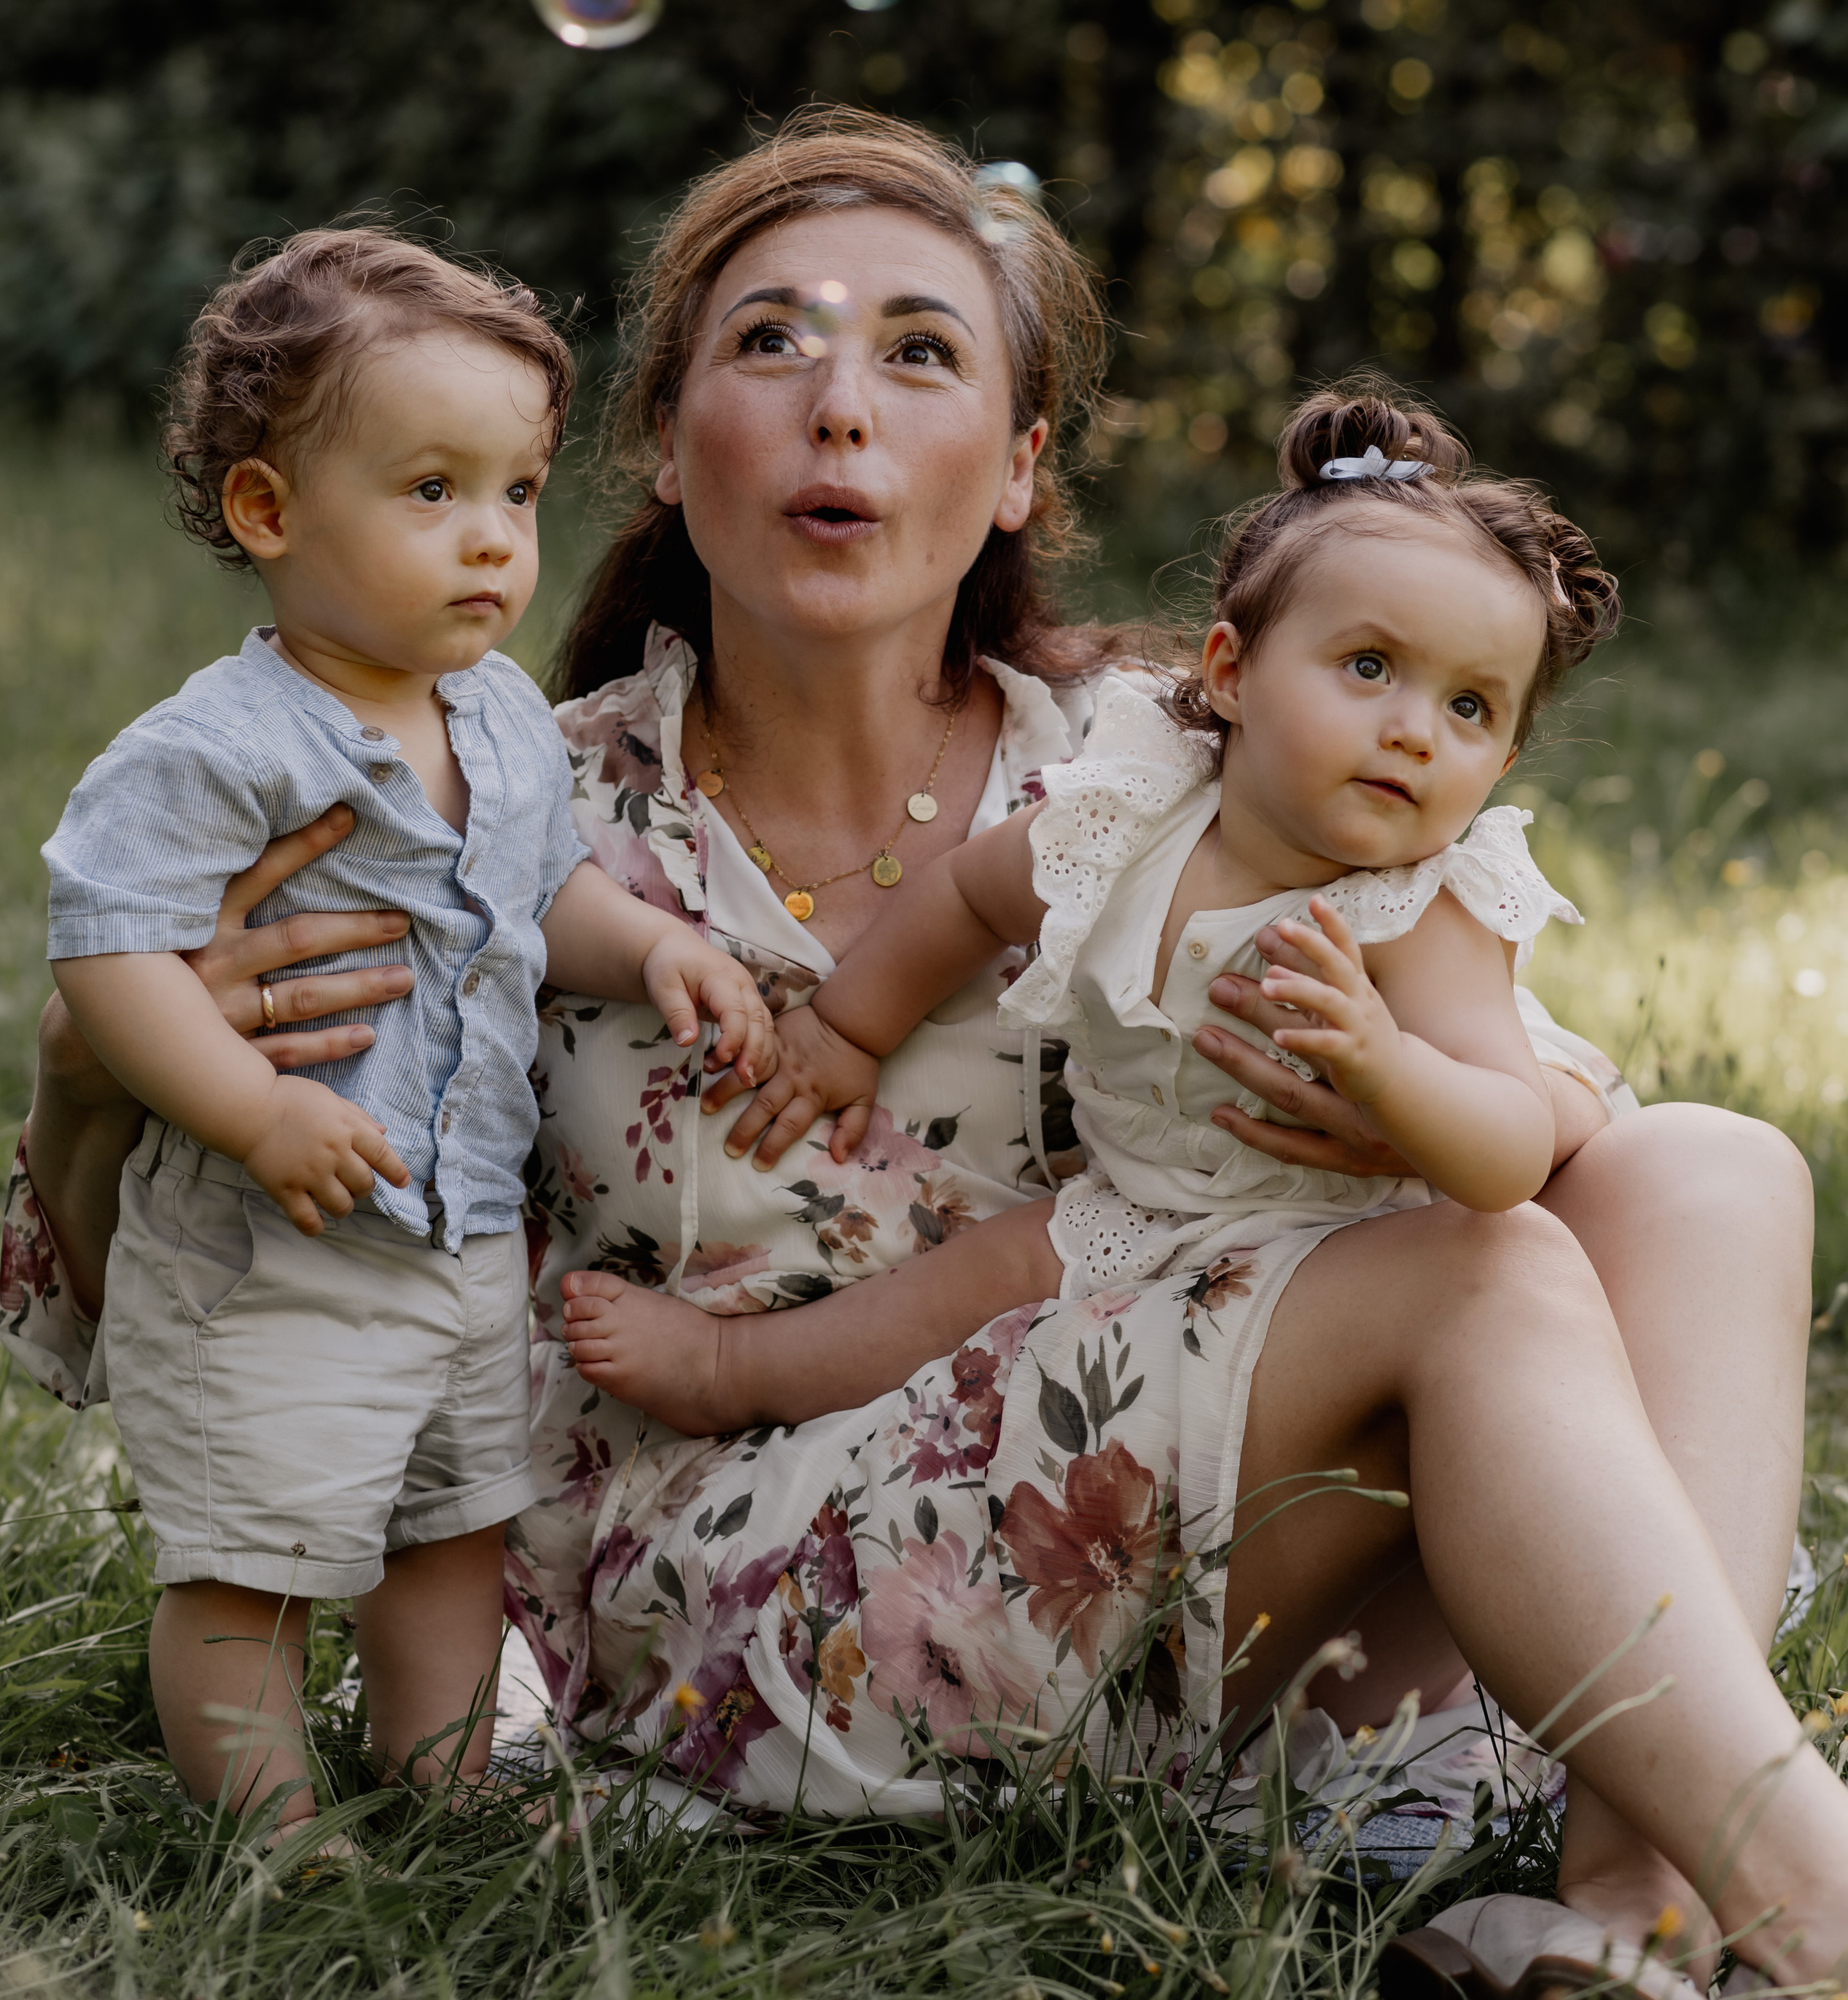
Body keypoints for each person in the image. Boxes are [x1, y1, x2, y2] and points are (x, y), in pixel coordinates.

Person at [0, 114, 1833, 2000]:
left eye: (921, 354)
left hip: (1200, 1556)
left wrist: (1450, 1087)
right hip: (756, 1598)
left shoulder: (1169, 756)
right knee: (1478, 1274)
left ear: (1027, 464)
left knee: (1711, 1170)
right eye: (770, 343)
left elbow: (1547, 1087)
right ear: (668, 442)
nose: (838, 404)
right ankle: (1819, 1924)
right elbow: (116, 1321)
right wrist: (97, 1081)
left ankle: (1621, 1927)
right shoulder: (488, 813)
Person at [37, 227, 771, 1835]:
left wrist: (646, 943)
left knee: (448, 1531)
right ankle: (272, 1837)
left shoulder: (496, 709)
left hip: (456, 1241)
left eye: (513, 493)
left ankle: (444, 1787)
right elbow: (112, 954)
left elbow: (542, 890)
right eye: (430, 491)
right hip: (275, 1238)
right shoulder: (216, 746)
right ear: (268, 511)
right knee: (260, 1561)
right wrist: (252, 1108)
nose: (493, 542)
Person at [555, 384, 1621, 1437]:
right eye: (1371, 666)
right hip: (1143, 1217)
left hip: (1343, 1263)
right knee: (987, 1272)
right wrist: (847, 1029)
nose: (1416, 731)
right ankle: (736, 1366)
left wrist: (1390, 1068)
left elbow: (1513, 1151)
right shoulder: (1132, 824)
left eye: (1470, 707)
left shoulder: (1419, 916)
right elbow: (971, 895)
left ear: (1508, 760)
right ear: (1232, 672)